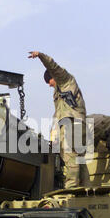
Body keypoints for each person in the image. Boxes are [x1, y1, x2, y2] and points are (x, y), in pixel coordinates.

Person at [28, 51, 86, 189]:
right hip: (70, 122)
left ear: (54, 77)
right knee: (79, 158)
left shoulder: (65, 80)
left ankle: (71, 185)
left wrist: (40, 56)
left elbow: (53, 66)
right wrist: (53, 134)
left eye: (49, 81)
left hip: (73, 121)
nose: (49, 85)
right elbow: (57, 114)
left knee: (69, 151)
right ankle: (83, 186)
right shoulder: (58, 91)